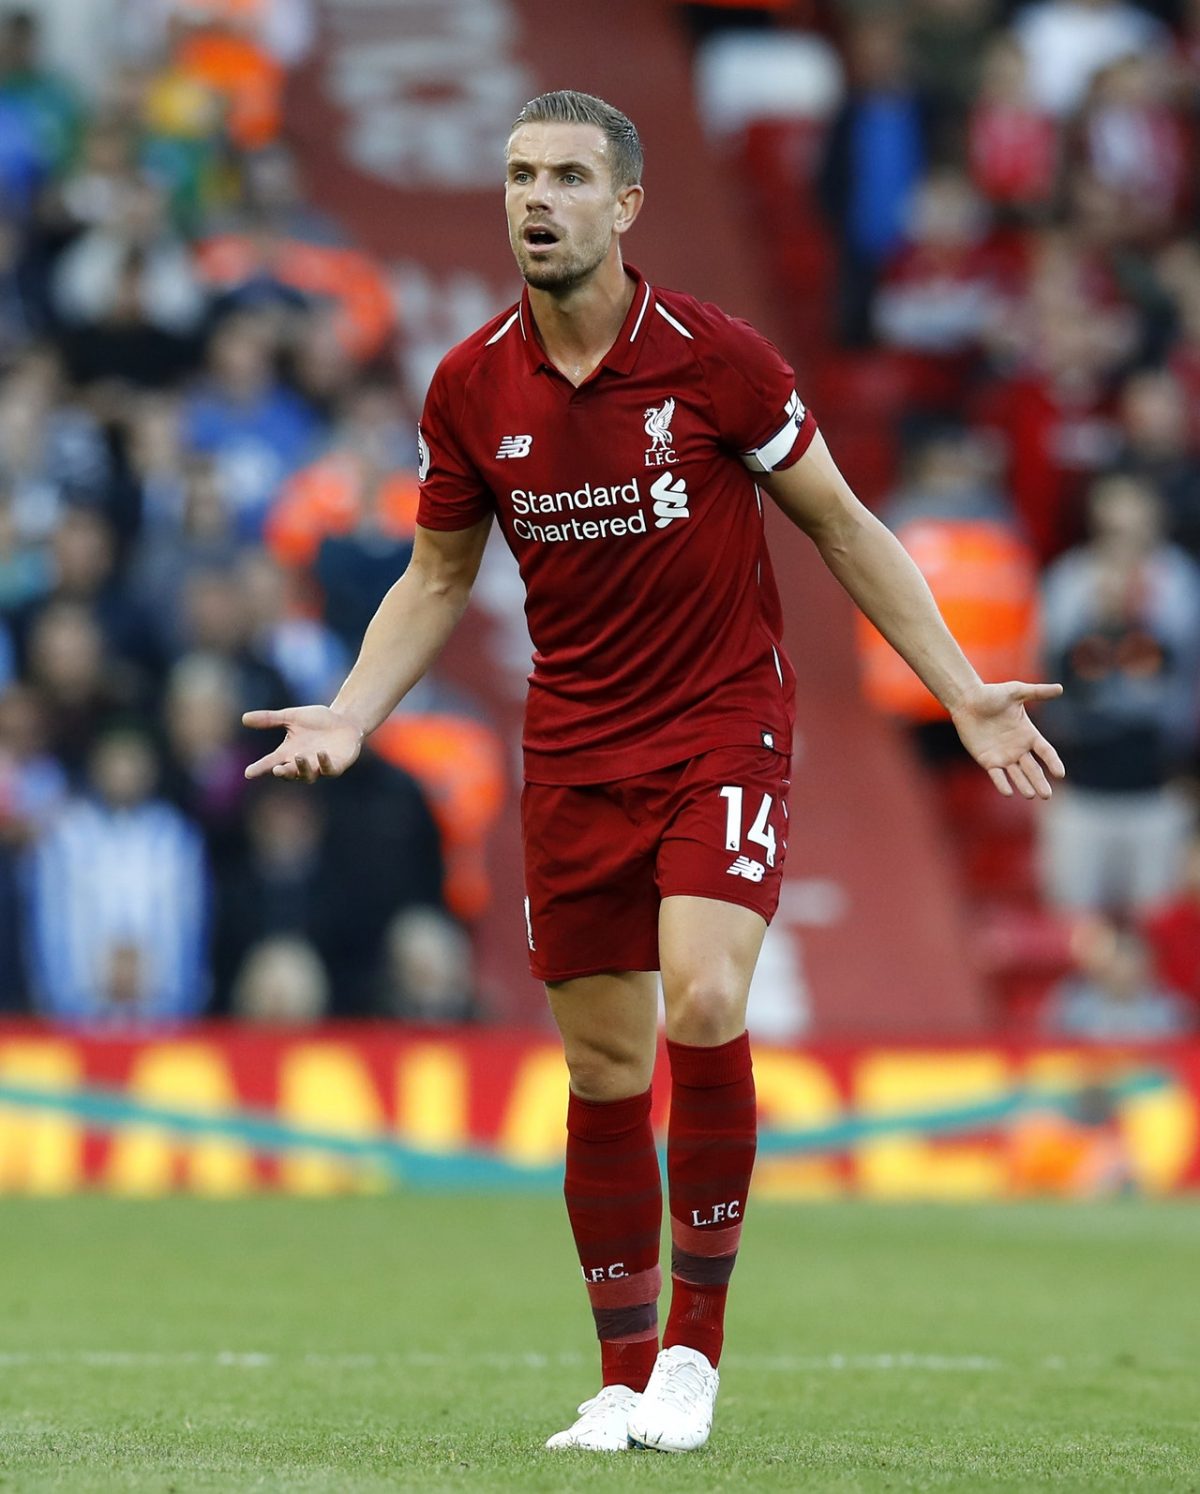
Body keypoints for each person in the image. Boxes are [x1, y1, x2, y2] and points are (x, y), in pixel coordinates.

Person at [243, 90, 1064, 1454]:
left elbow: (843, 525)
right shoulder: (470, 385)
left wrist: (962, 688)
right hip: (574, 746)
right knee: (605, 1064)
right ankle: (623, 1376)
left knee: (705, 993)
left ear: (625, 204)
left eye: (569, 177)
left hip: (719, 721)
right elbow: (436, 576)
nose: (538, 199)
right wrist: (351, 710)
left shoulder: (717, 358)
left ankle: (693, 1355)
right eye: (521, 175)